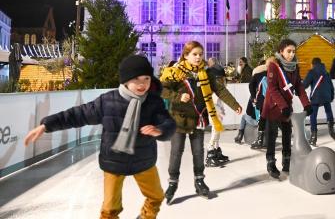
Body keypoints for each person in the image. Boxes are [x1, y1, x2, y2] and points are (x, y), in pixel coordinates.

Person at [24, 55, 176, 219]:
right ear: (125, 80)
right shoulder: (108, 101)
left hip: (143, 160)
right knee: (110, 209)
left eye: (146, 78)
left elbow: (169, 123)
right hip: (113, 161)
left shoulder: (154, 102)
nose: (142, 84)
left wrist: (159, 130)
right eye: (136, 79)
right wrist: (47, 124)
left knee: (157, 197)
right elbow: (78, 114)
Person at [160, 41, 241, 203]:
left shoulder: (206, 73)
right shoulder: (176, 72)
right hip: (179, 120)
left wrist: (234, 104)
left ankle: (199, 181)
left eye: (200, 54)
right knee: (176, 153)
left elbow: (220, 90)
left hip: (198, 119)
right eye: (194, 54)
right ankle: (172, 184)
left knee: (198, 152)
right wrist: (178, 97)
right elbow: (162, 89)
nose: (198, 57)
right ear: (186, 56)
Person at [262, 39, 312, 178]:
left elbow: (299, 87)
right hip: (273, 106)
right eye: (288, 51)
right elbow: (272, 89)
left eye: (293, 51)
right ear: (281, 52)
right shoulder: (274, 66)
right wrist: (283, 106)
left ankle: (287, 161)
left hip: (286, 108)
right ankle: (271, 162)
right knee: (271, 135)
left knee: (286, 133)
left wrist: (306, 103)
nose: (291, 54)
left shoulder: (295, 66)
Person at [302, 57, 335, 146]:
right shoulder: (326, 72)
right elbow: (331, 86)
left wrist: (298, 88)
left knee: (313, 115)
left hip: (316, 97)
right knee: (328, 110)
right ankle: (331, 127)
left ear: (312, 64)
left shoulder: (312, 72)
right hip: (326, 96)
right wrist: (331, 96)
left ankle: (313, 136)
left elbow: (305, 85)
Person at [249, 58, 272, 149]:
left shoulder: (259, 74)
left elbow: (251, 85)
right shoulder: (278, 75)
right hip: (273, 102)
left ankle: (260, 140)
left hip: (263, 101)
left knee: (262, 120)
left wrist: (253, 96)